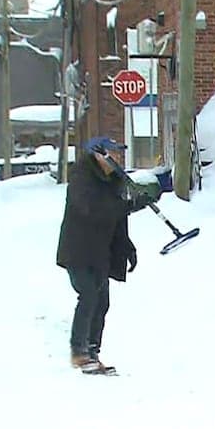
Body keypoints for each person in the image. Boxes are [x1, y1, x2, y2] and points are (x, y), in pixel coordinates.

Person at [55, 137, 153, 375]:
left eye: (119, 154)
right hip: (78, 250)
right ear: (98, 155)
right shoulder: (81, 177)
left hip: (100, 252)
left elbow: (117, 221)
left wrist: (127, 248)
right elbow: (93, 210)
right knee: (88, 294)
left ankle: (92, 351)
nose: (116, 158)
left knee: (102, 302)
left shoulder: (113, 181)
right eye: (112, 153)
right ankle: (78, 352)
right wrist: (129, 205)